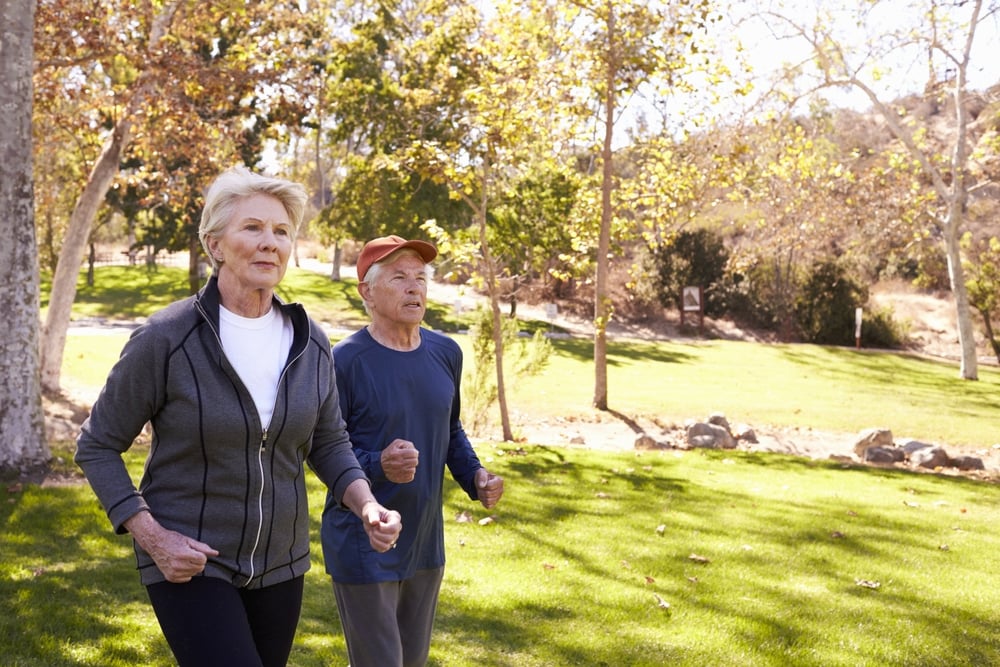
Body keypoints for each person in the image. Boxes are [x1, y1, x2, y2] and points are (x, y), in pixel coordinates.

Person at [75, 166, 402, 667]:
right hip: (190, 559)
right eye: (252, 227)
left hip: (282, 564)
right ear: (216, 244)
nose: (269, 242)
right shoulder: (167, 338)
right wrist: (154, 539)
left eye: (281, 231)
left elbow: (329, 441)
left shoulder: (310, 339)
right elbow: (97, 445)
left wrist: (366, 506)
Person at [321, 235, 505, 667]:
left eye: (420, 278)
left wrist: (475, 476)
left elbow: (449, 427)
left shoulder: (446, 353)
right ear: (367, 291)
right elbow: (325, 447)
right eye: (400, 277)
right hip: (365, 539)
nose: (414, 288)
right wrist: (378, 465)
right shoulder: (343, 361)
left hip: (424, 541)